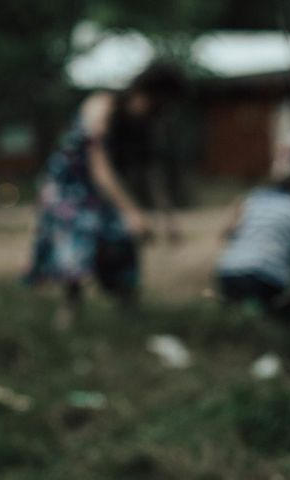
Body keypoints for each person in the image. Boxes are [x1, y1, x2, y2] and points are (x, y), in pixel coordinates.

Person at [24, 61, 186, 328]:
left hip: (103, 191)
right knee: (79, 239)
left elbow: (151, 172)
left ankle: (128, 308)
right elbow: (99, 167)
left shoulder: (144, 125)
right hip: (70, 187)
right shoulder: (102, 107)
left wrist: (168, 218)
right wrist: (132, 212)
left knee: (121, 239)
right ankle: (69, 311)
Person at [216, 149, 290, 318]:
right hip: (265, 279)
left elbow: (227, 233)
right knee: (280, 313)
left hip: (228, 273)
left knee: (239, 313)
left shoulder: (253, 199)